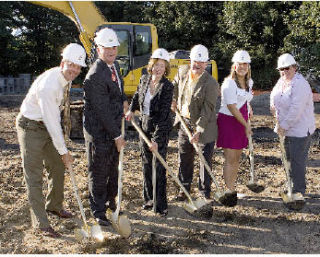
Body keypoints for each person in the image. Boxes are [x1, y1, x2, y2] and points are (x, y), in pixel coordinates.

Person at [16, 43, 87, 238]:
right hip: (30, 126)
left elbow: (58, 117)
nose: (74, 70)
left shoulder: (66, 78)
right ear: (63, 62)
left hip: (47, 124)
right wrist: (64, 151)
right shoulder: (49, 86)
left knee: (57, 166)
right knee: (34, 174)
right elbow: (52, 121)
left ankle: (54, 205)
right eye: (71, 65)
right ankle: (41, 223)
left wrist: (61, 153)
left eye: (77, 67)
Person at [83, 27, 128, 226]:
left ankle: (111, 201)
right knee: (99, 171)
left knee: (113, 168)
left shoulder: (114, 67)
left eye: (114, 47)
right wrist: (117, 136)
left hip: (112, 128)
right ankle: (98, 211)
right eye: (106, 48)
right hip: (99, 132)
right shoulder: (94, 76)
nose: (111, 51)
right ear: (98, 49)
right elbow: (102, 112)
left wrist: (125, 101)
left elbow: (119, 89)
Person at [126, 48, 173, 217]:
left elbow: (164, 115)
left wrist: (157, 139)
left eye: (162, 65)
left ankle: (161, 204)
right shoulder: (144, 79)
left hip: (160, 126)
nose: (158, 68)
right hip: (144, 124)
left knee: (158, 165)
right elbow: (137, 95)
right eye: (156, 65)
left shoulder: (167, 86)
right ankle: (148, 199)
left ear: (165, 67)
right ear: (151, 65)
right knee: (146, 163)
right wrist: (132, 110)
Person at [171, 44, 219, 201]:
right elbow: (174, 87)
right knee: (184, 156)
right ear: (190, 60)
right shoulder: (182, 72)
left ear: (206, 64)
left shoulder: (211, 84)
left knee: (205, 158)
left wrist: (198, 130)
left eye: (201, 63)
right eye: (194, 62)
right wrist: (172, 99)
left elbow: (208, 109)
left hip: (204, 126)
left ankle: (204, 191)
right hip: (184, 122)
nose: (197, 65)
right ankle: (184, 189)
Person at [270, 53, 316, 203]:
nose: (284, 71)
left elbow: (296, 109)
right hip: (286, 128)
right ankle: (291, 185)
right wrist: (272, 106)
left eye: (287, 68)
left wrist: (283, 126)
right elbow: (274, 95)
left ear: (294, 67)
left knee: (297, 161)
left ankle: (298, 192)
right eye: (281, 69)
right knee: (287, 159)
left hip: (300, 130)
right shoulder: (282, 81)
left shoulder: (300, 84)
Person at [216, 50, 253, 206]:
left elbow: (245, 99)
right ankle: (229, 190)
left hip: (241, 120)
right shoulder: (228, 83)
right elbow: (231, 107)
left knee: (237, 158)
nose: (243, 67)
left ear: (248, 66)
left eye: (245, 64)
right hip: (229, 122)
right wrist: (246, 125)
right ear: (234, 65)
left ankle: (232, 187)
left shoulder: (249, 82)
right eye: (240, 64)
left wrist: (249, 108)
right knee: (230, 159)